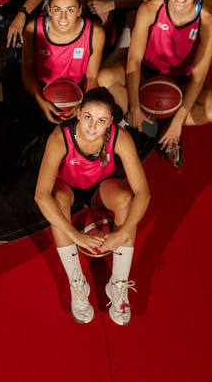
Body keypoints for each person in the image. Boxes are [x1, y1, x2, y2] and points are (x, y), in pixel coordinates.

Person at [98, 0, 212, 167]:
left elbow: (199, 74)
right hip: (146, 73)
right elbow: (134, 61)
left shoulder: (207, 22)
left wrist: (178, 121)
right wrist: (134, 107)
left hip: (181, 80)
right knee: (104, 78)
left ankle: (159, 126)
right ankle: (150, 126)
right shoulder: (150, 9)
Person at [34, 87, 150, 326]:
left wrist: (123, 232)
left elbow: (143, 194)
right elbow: (40, 195)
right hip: (67, 187)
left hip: (101, 189)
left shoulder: (120, 138)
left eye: (101, 120)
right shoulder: (60, 137)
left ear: (109, 123)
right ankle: (77, 283)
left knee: (126, 200)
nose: (92, 126)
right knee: (55, 200)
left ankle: (117, 285)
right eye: (88, 117)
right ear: (78, 113)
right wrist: (75, 235)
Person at [22, 0, 104, 123]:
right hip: (39, 92)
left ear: (79, 10)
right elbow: (27, 70)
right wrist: (41, 101)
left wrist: (82, 105)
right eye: (58, 10)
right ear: (49, 10)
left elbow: (92, 76)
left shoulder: (95, 33)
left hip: (77, 93)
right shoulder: (33, 29)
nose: (64, 17)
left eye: (70, 10)